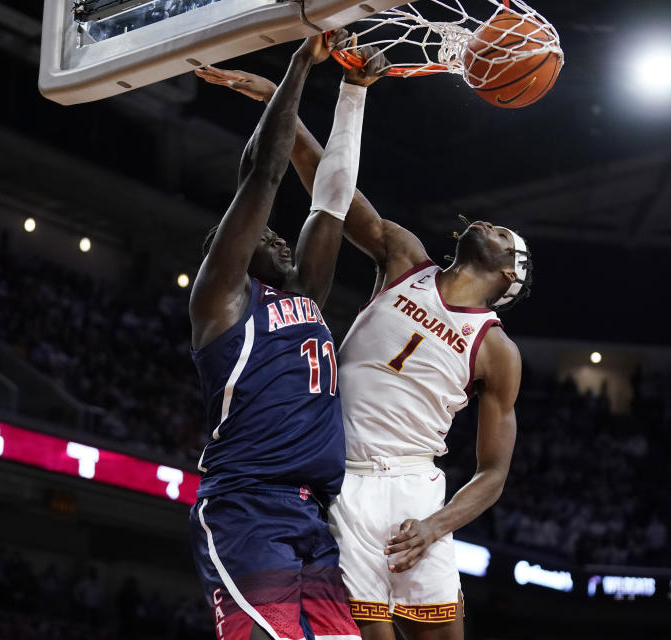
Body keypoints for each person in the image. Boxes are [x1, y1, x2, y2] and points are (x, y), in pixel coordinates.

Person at [197, 64, 530, 640]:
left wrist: (435, 526)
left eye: (504, 233)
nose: (489, 225)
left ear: (510, 274)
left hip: (415, 485)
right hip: (342, 478)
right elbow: (331, 192)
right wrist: (280, 102)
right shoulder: (405, 259)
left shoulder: (497, 349)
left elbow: (493, 473)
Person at [188, 34, 386, 640]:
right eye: (262, 237)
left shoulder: (304, 296)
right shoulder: (221, 300)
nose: (275, 236)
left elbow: (329, 197)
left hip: (311, 516)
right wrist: (299, 64)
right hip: (248, 507)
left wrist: (353, 93)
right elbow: (265, 174)